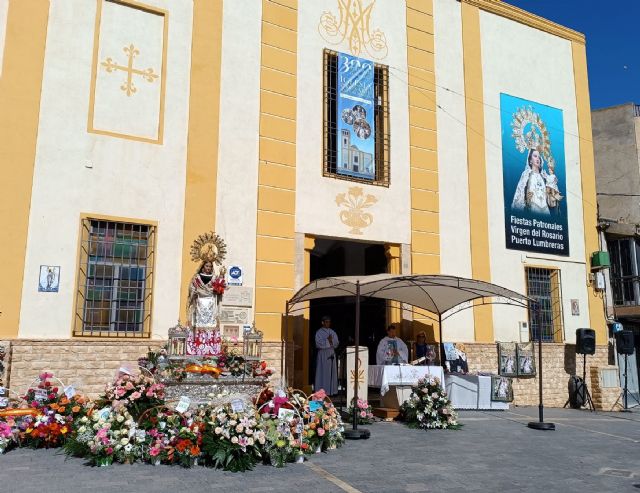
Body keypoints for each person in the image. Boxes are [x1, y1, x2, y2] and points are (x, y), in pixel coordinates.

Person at [186, 260, 225, 356]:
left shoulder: (215, 278)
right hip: (199, 305)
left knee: (211, 326)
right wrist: (194, 292)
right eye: (207, 266)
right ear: (203, 267)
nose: (208, 268)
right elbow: (192, 289)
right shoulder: (196, 278)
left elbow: (220, 290)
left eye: (210, 267)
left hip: (211, 306)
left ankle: (210, 350)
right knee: (197, 325)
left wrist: (221, 278)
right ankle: (197, 349)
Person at [511, 148, 550, 215]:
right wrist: (527, 199)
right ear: (530, 160)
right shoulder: (526, 174)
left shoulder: (544, 177)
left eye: (539, 157)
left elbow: (549, 196)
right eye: (535, 156)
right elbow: (520, 196)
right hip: (533, 210)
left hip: (545, 211)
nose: (538, 158)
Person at [315, 316, 339, 396]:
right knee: (323, 372)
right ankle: (321, 392)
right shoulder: (319, 332)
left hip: (331, 353)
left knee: (331, 372)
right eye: (326, 322)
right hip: (323, 354)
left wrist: (331, 341)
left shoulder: (332, 332)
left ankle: (331, 391)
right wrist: (327, 340)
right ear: (323, 322)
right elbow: (318, 344)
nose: (328, 323)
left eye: (329, 322)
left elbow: (336, 343)